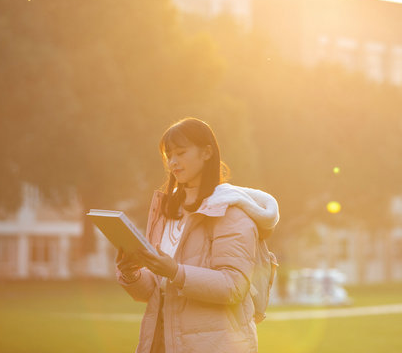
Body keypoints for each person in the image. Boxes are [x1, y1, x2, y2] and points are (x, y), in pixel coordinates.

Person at [115, 117, 279, 353]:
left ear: (207, 153)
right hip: (161, 343)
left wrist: (174, 271)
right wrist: (130, 272)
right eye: (168, 154)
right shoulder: (168, 210)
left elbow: (234, 287)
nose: (173, 161)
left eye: (181, 152)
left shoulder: (231, 211)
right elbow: (157, 292)